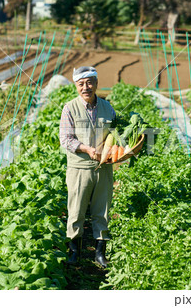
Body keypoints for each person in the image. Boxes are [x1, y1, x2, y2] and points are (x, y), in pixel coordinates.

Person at [59, 66, 116, 268]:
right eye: (81, 84)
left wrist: (119, 150)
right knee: (76, 211)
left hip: (103, 168)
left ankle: (100, 254)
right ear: (76, 85)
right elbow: (65, 139)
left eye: (90, 82)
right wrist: (87, 149)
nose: (86, 87)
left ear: (96, 84)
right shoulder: (70, 108)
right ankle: (74, 252)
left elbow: (115, 133)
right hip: (79, 168)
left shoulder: (107, 108)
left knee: (103, 210)